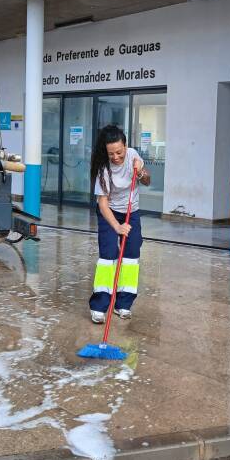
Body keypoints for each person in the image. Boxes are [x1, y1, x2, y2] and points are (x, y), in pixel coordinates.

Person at [88, 125, 151, 323]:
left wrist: (140, 172)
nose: (116, 157)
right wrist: (117, 226)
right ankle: (99, 306)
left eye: (119, 152)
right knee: (108, 256)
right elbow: (103, 203)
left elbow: (148, 180)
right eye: (111, 153)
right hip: (109, 212)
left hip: (131, 210)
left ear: (126, 146)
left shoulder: (133, 155)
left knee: (131, 256)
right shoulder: (103, 168)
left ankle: (123, 304)